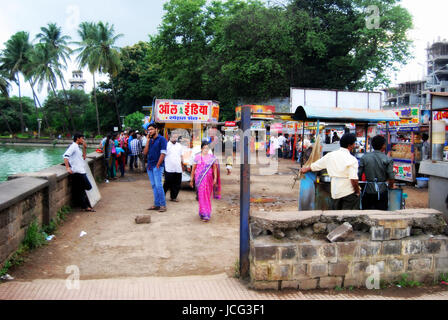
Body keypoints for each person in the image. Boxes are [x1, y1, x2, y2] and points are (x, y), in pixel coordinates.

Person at [300, 133, 360, 210]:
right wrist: (357, 191)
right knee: (349, 217)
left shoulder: (330, 155)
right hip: (348, 193)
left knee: (336, 216)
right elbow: (354, 179)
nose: (354, 145)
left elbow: (317, 165)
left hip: (335, 192)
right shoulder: (352, 159)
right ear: (349, 145)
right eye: (354, 144)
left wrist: (306, 169)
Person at [358, 135, 395, 210]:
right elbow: (391, 177)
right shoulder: (388, 159)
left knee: (367, 214)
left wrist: (360, 187)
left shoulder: (364, 158)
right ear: (383, 146)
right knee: (381, 214)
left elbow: (359, 174)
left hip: (368, 190)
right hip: (382, 191)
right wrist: (390, 186)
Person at [190, 141, 221, 222]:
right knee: (201, 196)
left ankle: (206, 212)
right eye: (204, 148)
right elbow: (193, 169)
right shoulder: (197, 157)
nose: (206, 150)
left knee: (206, 196)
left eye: (207, 148)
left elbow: (214, 168)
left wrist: (215, 178)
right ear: (201, 149)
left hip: (209, 180)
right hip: (199, 179)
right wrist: (191, 180)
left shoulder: (212, 157)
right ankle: (204, 213)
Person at [63, 133, 95, 212]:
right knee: (88, 186)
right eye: (82, 138)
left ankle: (84, 206)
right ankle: (84, 205)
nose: (83, 140)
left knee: (81, 189)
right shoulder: (73, 146)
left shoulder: (77, 147)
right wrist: (67, 167)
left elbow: (84, 157)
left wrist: (84, 147)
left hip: (81, 170)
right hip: (78, 171)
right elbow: (65, 156)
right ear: (77, 138)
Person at [143, 123, 168, 212]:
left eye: (151, 129)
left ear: (156, 129)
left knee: (158, 185)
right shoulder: (150, 140)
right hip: (150, 166)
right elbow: (145, 153)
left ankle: (163, 205)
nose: (150, 131)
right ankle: (156, 204)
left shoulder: (162, 139)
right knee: (154, 186)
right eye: (149, 130)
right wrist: (147, 141)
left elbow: (163, 153)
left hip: (158, 166)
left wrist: (158, 164)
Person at [163, 133, 184, 202]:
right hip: (168, 167)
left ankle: (173, 197)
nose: (175, 138)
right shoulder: (166, 145)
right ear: (170, 137)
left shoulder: (179, 145)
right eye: (174, 137)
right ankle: (162, 196)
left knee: (177, 183)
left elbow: (181, 155)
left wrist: (182, 164)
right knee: (167, 183)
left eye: (176, 137)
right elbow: (163, 155)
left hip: (178, 167)